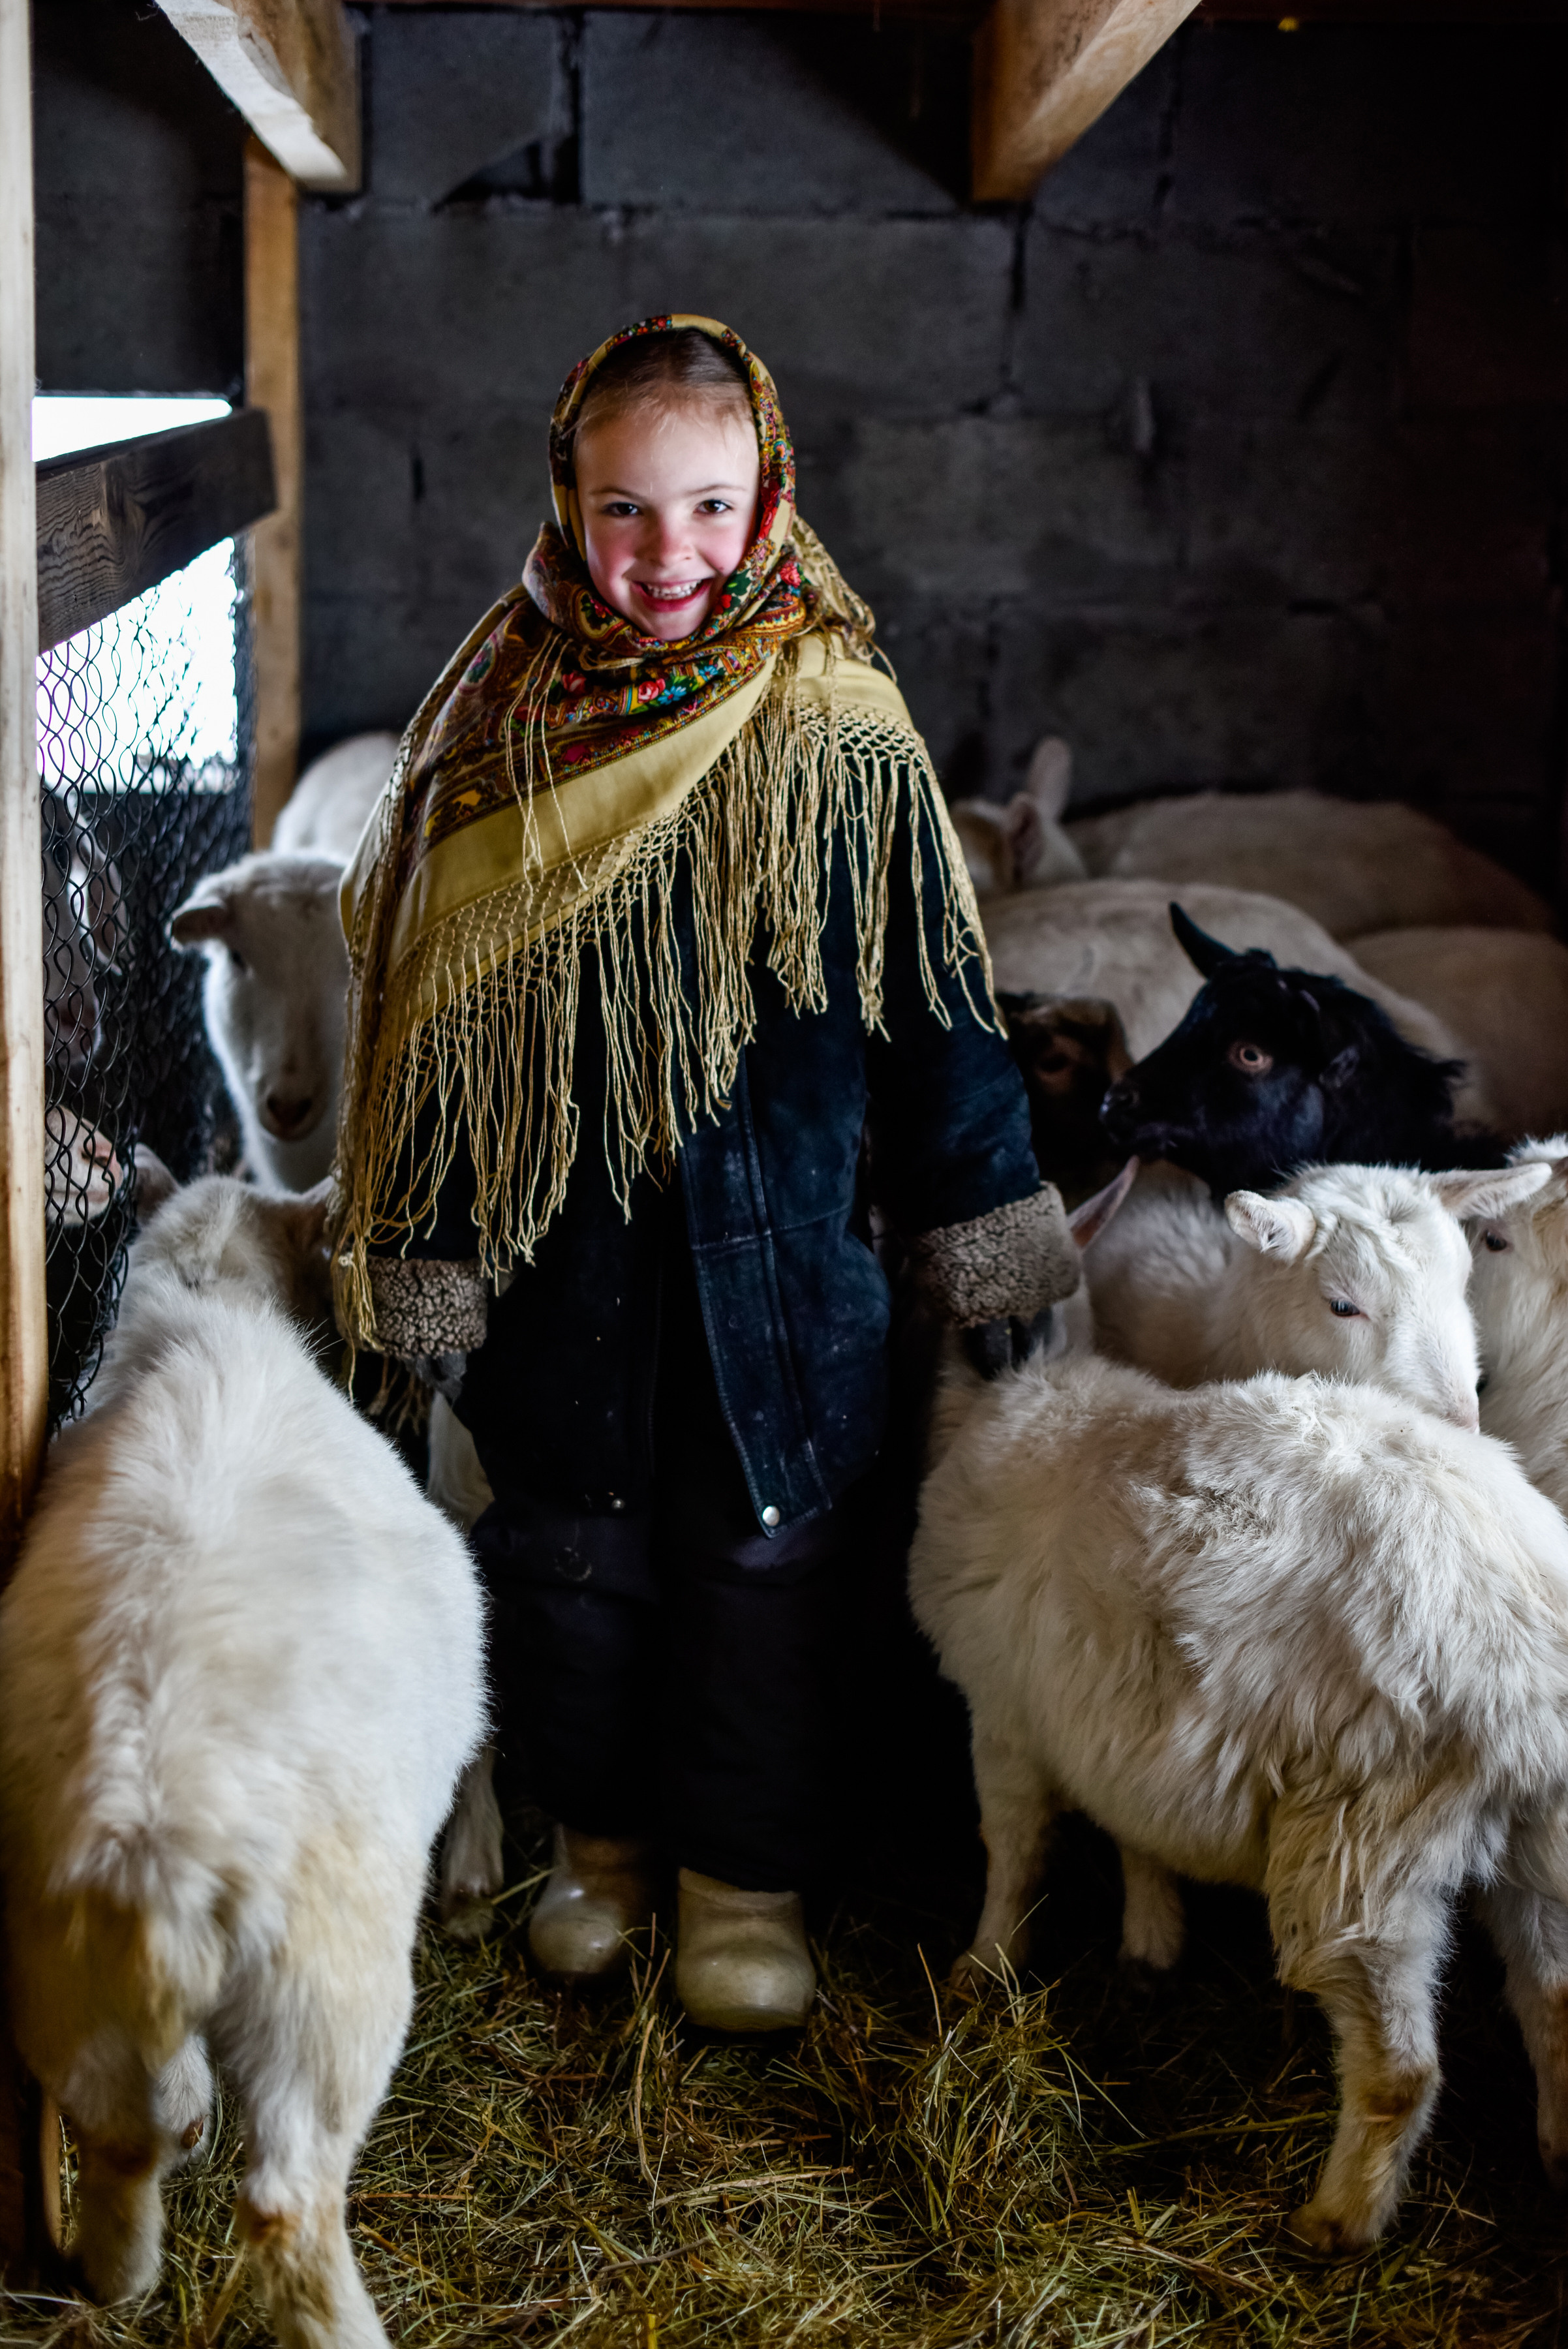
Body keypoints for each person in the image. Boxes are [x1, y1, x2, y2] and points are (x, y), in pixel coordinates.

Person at [331, 315, 1076, 2032]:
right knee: (571, 1568)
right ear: (565, 498)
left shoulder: (840, 734)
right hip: (558, 1267)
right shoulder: (496, 728)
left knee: (765, 1575)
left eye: (709, 508)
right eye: (622, 510)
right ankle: (599, 1852)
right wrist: (428, 1243)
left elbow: (936, 1019)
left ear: (770, 502)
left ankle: (745, 1886)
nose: (668, 555)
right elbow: (432, 1021)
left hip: (779, 1269)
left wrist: (989, 1230)